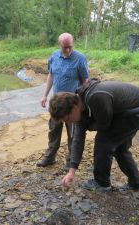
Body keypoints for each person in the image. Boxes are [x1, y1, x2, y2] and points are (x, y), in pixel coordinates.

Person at [48, 78, 139, 192]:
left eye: (68, 119)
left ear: (74, 108)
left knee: (103, 143)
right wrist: (72, 171)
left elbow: (104, 126)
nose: (69, 122)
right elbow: (78, 139)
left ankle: (102, 183)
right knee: (119, 149)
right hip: (125, 111)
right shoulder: (80, 106)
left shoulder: (95, 97)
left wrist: (89, 126)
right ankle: (136, 183)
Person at [37, 33, 89, 170]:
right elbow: (51, 76)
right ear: (59, 45)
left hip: (72, 105)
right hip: (57, 103)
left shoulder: (80, 58)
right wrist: (44, 95)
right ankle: (50, 157)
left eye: (70, 47)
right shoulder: (54, 56)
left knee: (73, 134)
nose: (67, 50)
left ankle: (71, 161)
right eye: (65, 47)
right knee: (53, 129)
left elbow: (85, 81)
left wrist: (83, 102)